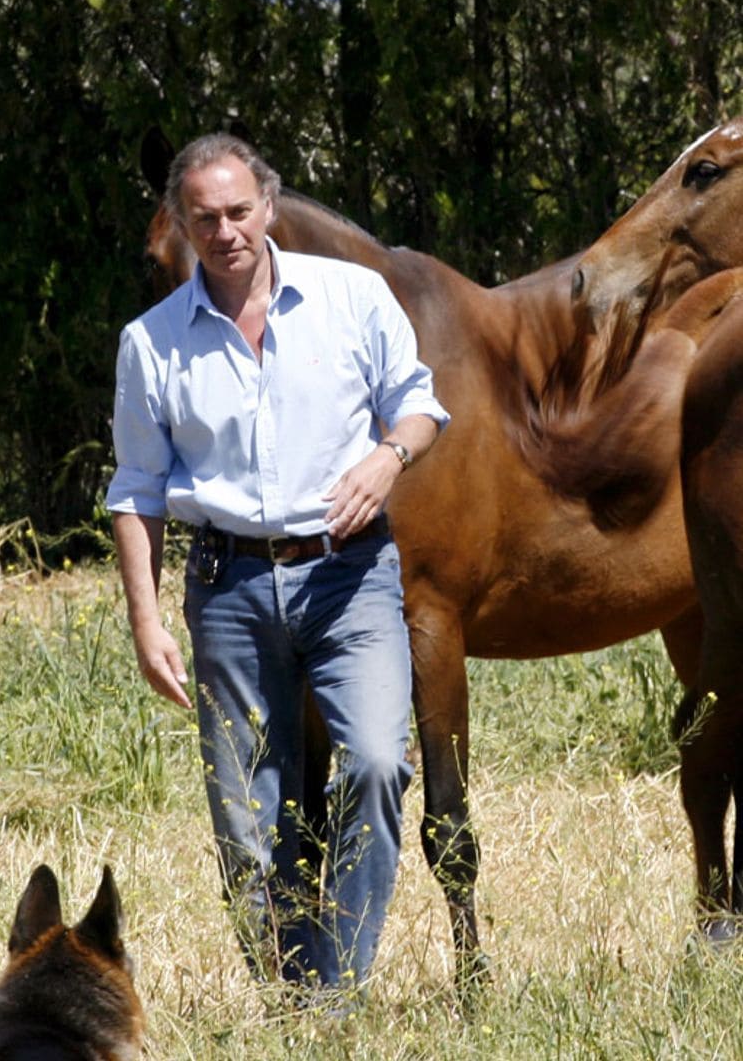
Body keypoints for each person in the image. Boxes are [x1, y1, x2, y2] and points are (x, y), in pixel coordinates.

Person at [107, 133, 449, 996]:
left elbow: (419, 405)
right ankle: (291, 995)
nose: (224, 231)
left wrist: (388, 460)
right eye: (204, 218)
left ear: (268, 205)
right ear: (183, 224)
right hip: (228, 589)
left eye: (237, 211)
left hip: (351, 575)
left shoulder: (352, 296)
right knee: (249, 815)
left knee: (375, 762)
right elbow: (137, 489)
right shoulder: (150, 344)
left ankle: (331, 994)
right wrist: (147, 620)